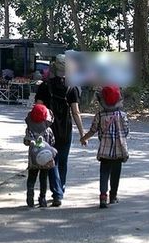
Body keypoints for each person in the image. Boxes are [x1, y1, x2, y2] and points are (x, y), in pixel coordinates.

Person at [34, 54, 86, 198]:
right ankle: (60, 189)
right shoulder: (71, 88)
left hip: (47, 130)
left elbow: (38, 108)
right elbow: (76, 112)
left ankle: (57, 192)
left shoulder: (44, 86)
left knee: (51, 160)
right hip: (65, 129)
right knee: (62, 160)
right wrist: (82, 134)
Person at [81, 85, 130, 209]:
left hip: (104, 150)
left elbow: (93, 130)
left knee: (104, 173)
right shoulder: (122, 115)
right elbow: (126, 131)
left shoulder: (100, 115)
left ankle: (103, 197)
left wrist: (84, 138)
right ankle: (113, 196)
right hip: (119, 150)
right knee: (116, 174)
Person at [23, 103, 62, 207]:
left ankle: (30, 195)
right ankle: (42, 198)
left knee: (32, 177)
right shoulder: (48, 130)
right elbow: (52, 142)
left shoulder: (30, 130)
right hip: (45, 159)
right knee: (43, 179)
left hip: (33, 159)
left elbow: (27, 142)